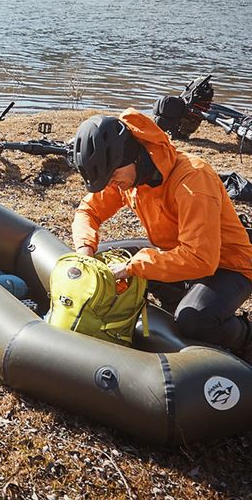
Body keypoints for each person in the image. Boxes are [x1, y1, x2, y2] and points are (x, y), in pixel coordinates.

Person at [71, 109, 252, 361]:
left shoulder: (192, 180)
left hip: (228, 265)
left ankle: (245, 340)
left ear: (132, 154)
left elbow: (202, 258)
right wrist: (85, 250)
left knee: (193, 320)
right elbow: (88, 210)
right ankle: (177, 305)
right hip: (176, 253)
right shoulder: (128, 176)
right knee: (102, 260)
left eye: (112, 176)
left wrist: (134, 266)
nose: (112, 185)